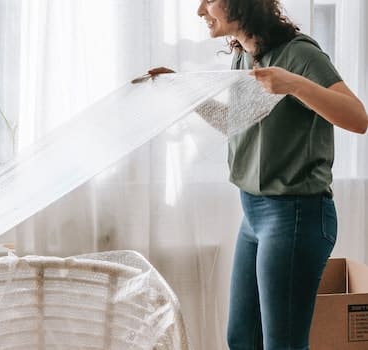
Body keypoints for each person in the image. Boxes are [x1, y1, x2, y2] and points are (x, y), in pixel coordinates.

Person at [144, 0, 368, 348]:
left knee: (282, 344)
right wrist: (182, 90)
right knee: (242, 339)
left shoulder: (299, 54)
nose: (200, 10)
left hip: (295, 214)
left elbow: (357, 118)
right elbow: (236, 123)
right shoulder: (243, 57)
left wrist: (295, 84)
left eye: (209, 0)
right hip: (254, 215)